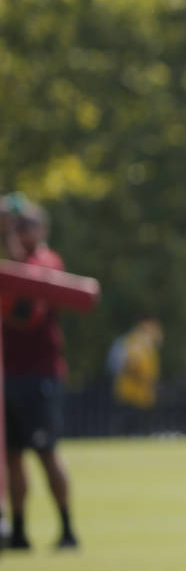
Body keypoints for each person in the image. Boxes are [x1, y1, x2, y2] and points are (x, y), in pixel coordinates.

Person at [0, 199, 79, 550]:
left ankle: (67, 528)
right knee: (12, 456)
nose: (20, 232)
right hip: (9, 371)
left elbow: (25, 311)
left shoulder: (48, 260)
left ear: (41, 230)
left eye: (25, 226)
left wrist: (8, 240)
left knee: (47, 452)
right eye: (16, 227)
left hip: (39, 374)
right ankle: (18, 531)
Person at [109, 317, 164, 436]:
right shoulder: (136, 341)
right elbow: (131, 365)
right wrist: (145, 379)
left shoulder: (146, 343)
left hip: (142, 394)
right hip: (132, 393)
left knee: (138, 429)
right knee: (131, 429)